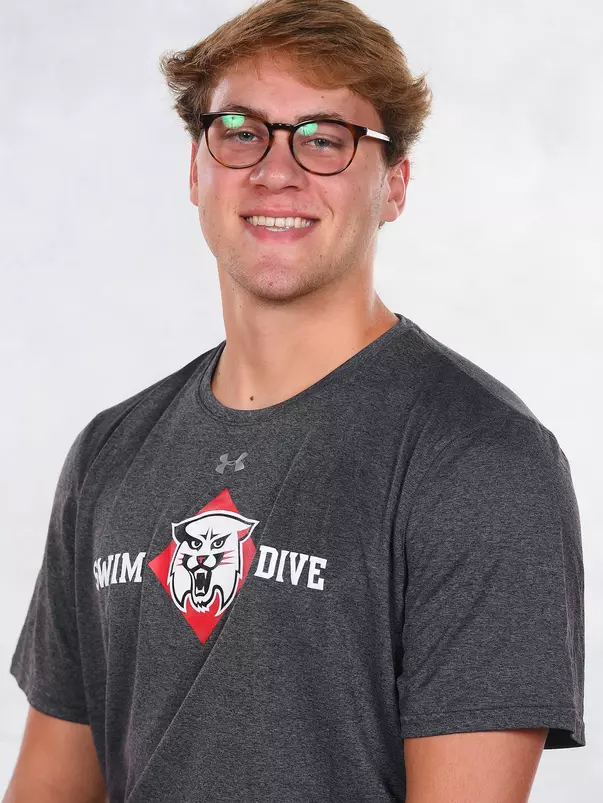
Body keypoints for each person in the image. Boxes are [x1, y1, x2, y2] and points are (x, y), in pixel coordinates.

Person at [4, 0, 585, 801]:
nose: (276, 170)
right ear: (196, 171)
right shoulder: (110, 452)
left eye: (323, 139)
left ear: (393, 185)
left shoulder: (480, 459)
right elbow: (47, 786)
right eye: (241, 132)